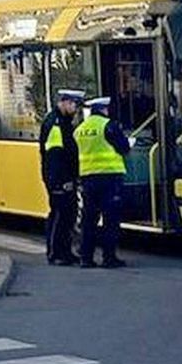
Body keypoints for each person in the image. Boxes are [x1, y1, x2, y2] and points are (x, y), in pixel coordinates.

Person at [74, 97, 132, 269]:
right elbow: (124, 148)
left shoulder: (80, 129)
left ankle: (86, 258)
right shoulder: (109, 126)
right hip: (109, 178)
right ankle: (109, 258)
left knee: (89, 219)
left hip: (87, 179)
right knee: (110, 220)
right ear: (104, 110)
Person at [38, 89, 83, 265]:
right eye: (73, 104)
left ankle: (65, 252)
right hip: (59, 180)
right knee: (59, 215)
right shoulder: (55, 124)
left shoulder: (64, 122)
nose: (75, 109)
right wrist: (61, 182)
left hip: (65, 179)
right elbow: (55, 157)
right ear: (63, 102)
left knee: (69, 215)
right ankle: (55, 253)